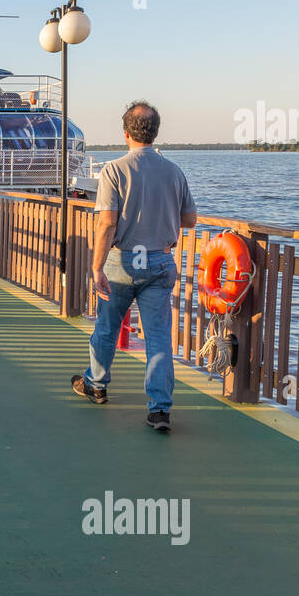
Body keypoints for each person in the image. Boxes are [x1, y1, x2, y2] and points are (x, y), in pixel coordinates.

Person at [72, 101, 197, 433]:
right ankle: (159, 410)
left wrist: (97, 266)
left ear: (125, 133)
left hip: (123, 261)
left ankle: (96, 385)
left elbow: (106, 224)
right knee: (158, 337)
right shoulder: (174, 172)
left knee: (107, 327)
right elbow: (190, 220)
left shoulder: (114, 171)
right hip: (159, 260)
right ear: (155, 133)